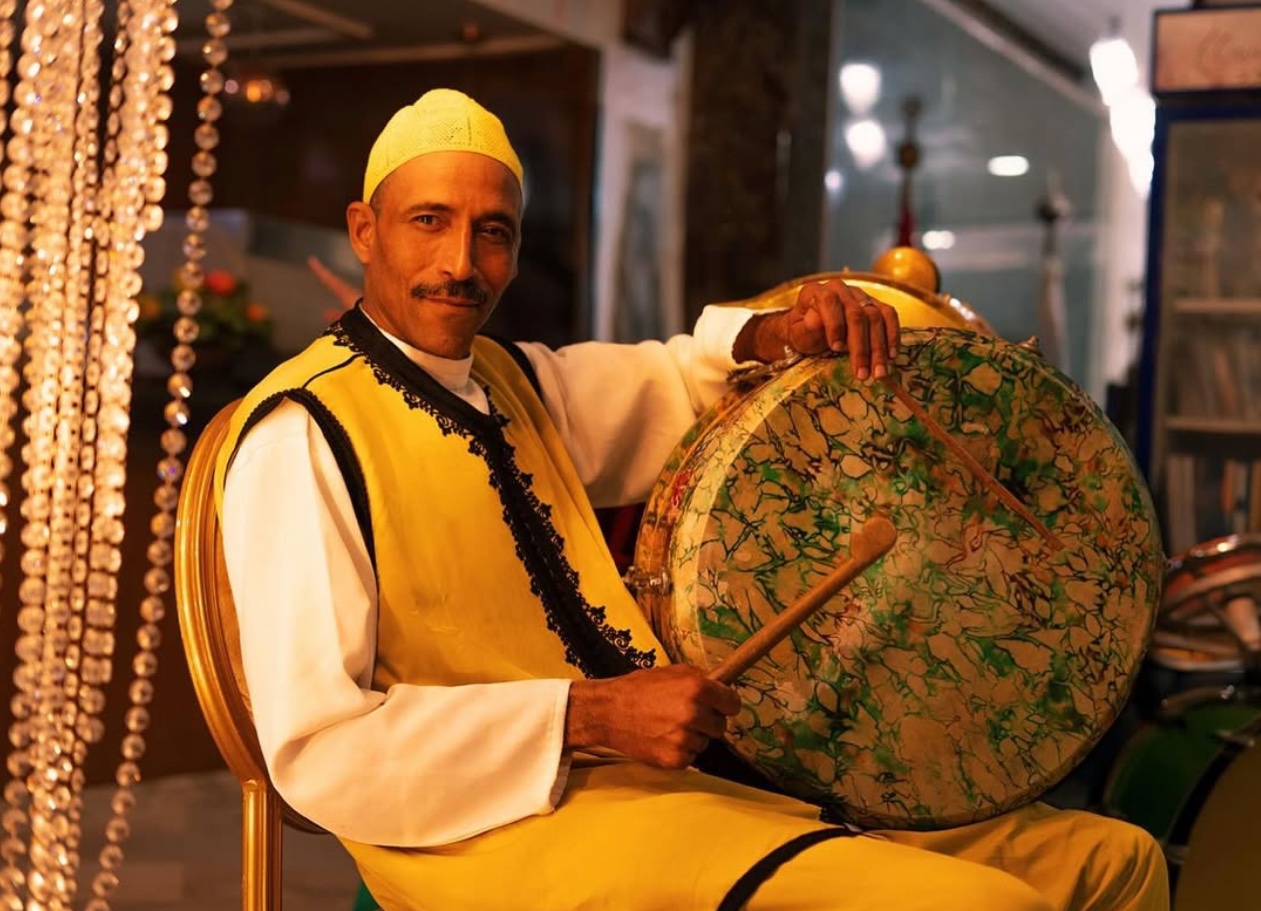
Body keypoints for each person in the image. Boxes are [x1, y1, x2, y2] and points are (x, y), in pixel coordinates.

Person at [216, 88, 1168, 911]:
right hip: (488, 837)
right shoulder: (303, 432)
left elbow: (672, 383)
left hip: (661, 786)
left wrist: (778, 334)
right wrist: (587, 717)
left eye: (491, 230)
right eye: (429, 221)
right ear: (364, 229)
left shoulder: (509, 382)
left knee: (1115, 862)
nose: (461, 262)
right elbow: (319, 751)